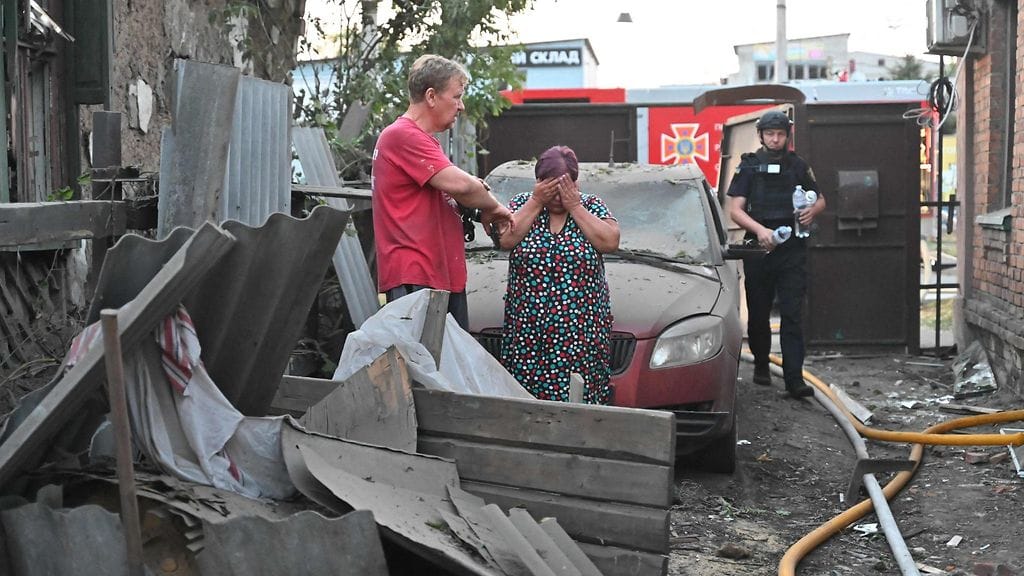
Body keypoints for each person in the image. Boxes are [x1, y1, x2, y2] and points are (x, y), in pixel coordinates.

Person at [371, 54, 513, 330]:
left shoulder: (424, 141)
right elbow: (463, 186)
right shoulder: (402, 135)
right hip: (417, 278)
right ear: (432, 96)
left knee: (446, 369)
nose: (461, 106)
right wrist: (494, 207)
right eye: (457, 96)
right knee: (424, 370)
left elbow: (464, 188)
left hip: (436, 276)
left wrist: (475, 194)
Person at [493, 146, 620, 404]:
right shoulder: (521, 204)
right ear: (538, 182)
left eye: (565, 188)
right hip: (527, 335)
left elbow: (610, 241)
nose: (558, 197)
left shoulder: (592, 206)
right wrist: (537, 202)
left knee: (577, 403)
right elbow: (505, 239)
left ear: (576, 183)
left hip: (579, 336)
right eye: (551, 188)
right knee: (526, 404)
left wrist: (575, 207)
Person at [726, 111, 826, 398]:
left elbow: (820, 199)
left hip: (792, 249)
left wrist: (811, 211)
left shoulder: (798, 166)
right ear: (761, 135)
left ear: (787, 135)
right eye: (770, 133)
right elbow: (735, 210)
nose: (775, 138)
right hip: (759, 249)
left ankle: (794, 379)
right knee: (758, 313)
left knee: (793, 314)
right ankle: (761, 365)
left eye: (780, 134)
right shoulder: (749, 166)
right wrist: (759, 231)